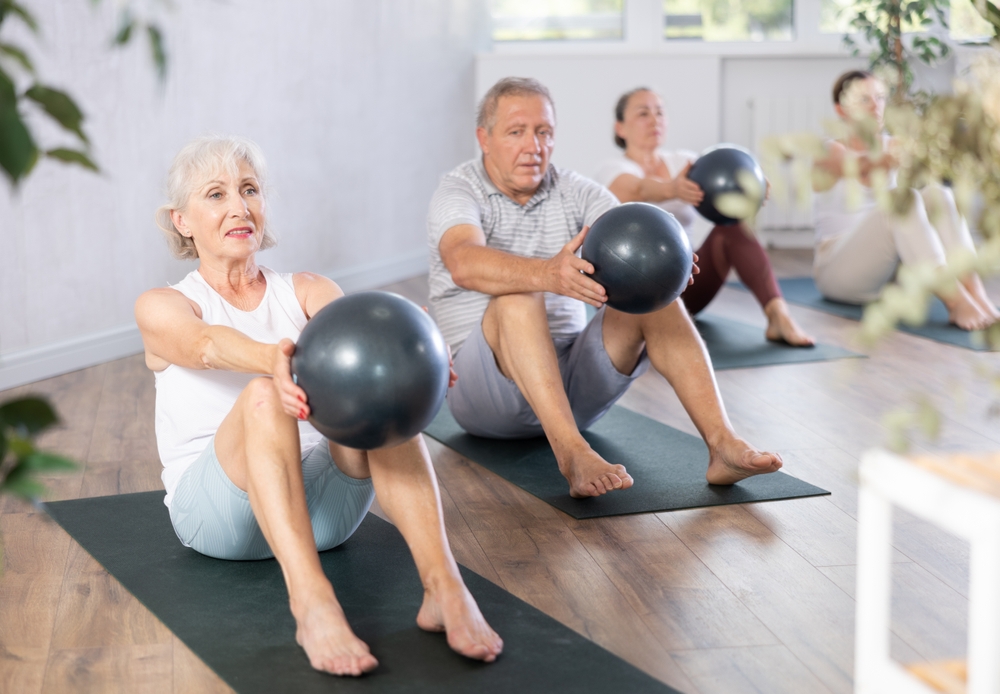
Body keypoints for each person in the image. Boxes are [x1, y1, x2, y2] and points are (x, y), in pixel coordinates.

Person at [135, 136, 502, 677]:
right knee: (264, 396)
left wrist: (412, 356)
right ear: (181, 220)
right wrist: (276, 358)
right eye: (216, 195)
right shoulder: (163, 306)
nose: (239, 207)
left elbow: (367, 338)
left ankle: (444, 588)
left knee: (384, 395)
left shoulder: (307, 290)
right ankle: (313, 604)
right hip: (220, 520)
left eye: (250, 190)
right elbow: (205, 345)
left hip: (325, 511)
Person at [427, 77, 783, 499]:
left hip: (574, 388)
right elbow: (463, 261)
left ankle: (723, 445)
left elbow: (633, 233)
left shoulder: (574, 190)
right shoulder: (459, 189)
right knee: (518, 299)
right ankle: (574, 454)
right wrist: (548, 274)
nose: (533, 146)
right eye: (516, 132)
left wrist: (668, 262)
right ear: (484, 138)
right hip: (485, 396)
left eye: (544, 132)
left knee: (655, 298)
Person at [596, 87, 814, 347]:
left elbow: (726, 180)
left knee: (732, 227)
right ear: (620, 128)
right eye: (643, 113)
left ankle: (779, 316)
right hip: (632, 292)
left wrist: (750, 186)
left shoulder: (684, 162)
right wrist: (672, 189)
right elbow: (636, 188)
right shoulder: (612, 169)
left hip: (683, 286)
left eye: (660, 112)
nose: (655, 120)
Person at [812, 70, 998, 329]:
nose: (875, 106)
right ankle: (956, 303)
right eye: (864, 100)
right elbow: (861, 163)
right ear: (841, 110)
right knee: (899, 200)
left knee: (938, 194)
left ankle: (977, 296)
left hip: (891, 276)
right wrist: (900, 154)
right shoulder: (827, 151)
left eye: (879, 98)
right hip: (839, 274)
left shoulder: (895, 143)